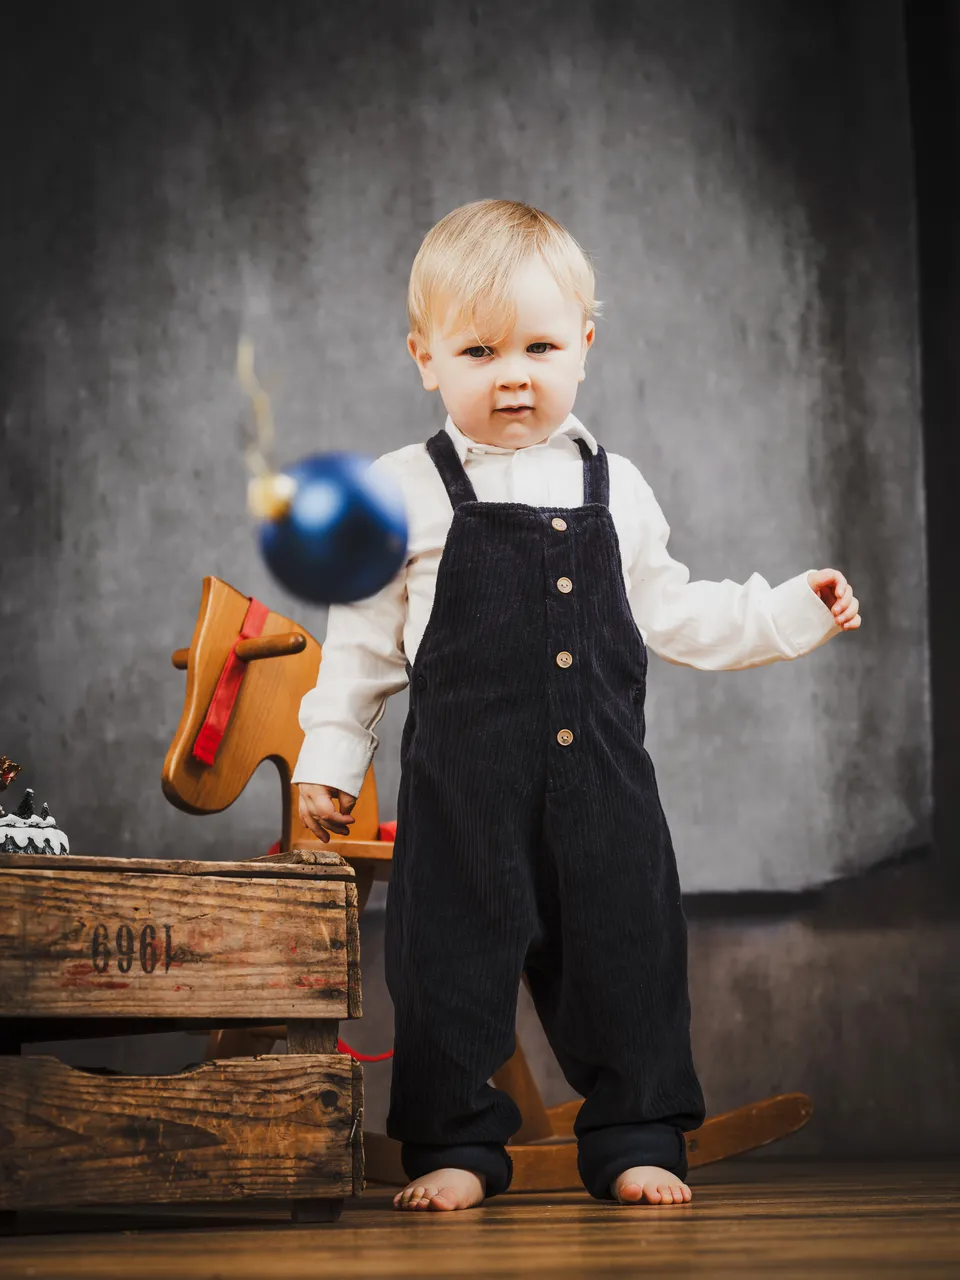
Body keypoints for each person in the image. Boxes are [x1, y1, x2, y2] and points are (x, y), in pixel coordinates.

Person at [292, 199, 861, 1213]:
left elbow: (677, 610)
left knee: (628, 951)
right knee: (448, 961)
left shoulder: (620, 486)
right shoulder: (406, 489)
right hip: (462, 792)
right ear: (426, 358)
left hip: (604, 784)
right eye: (479, 350)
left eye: (540, 346)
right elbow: (361, 646)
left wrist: (784, 614)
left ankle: (638, 1129)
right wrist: (331, 756)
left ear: (585, 347)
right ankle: (455, 1138)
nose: (514, 372)